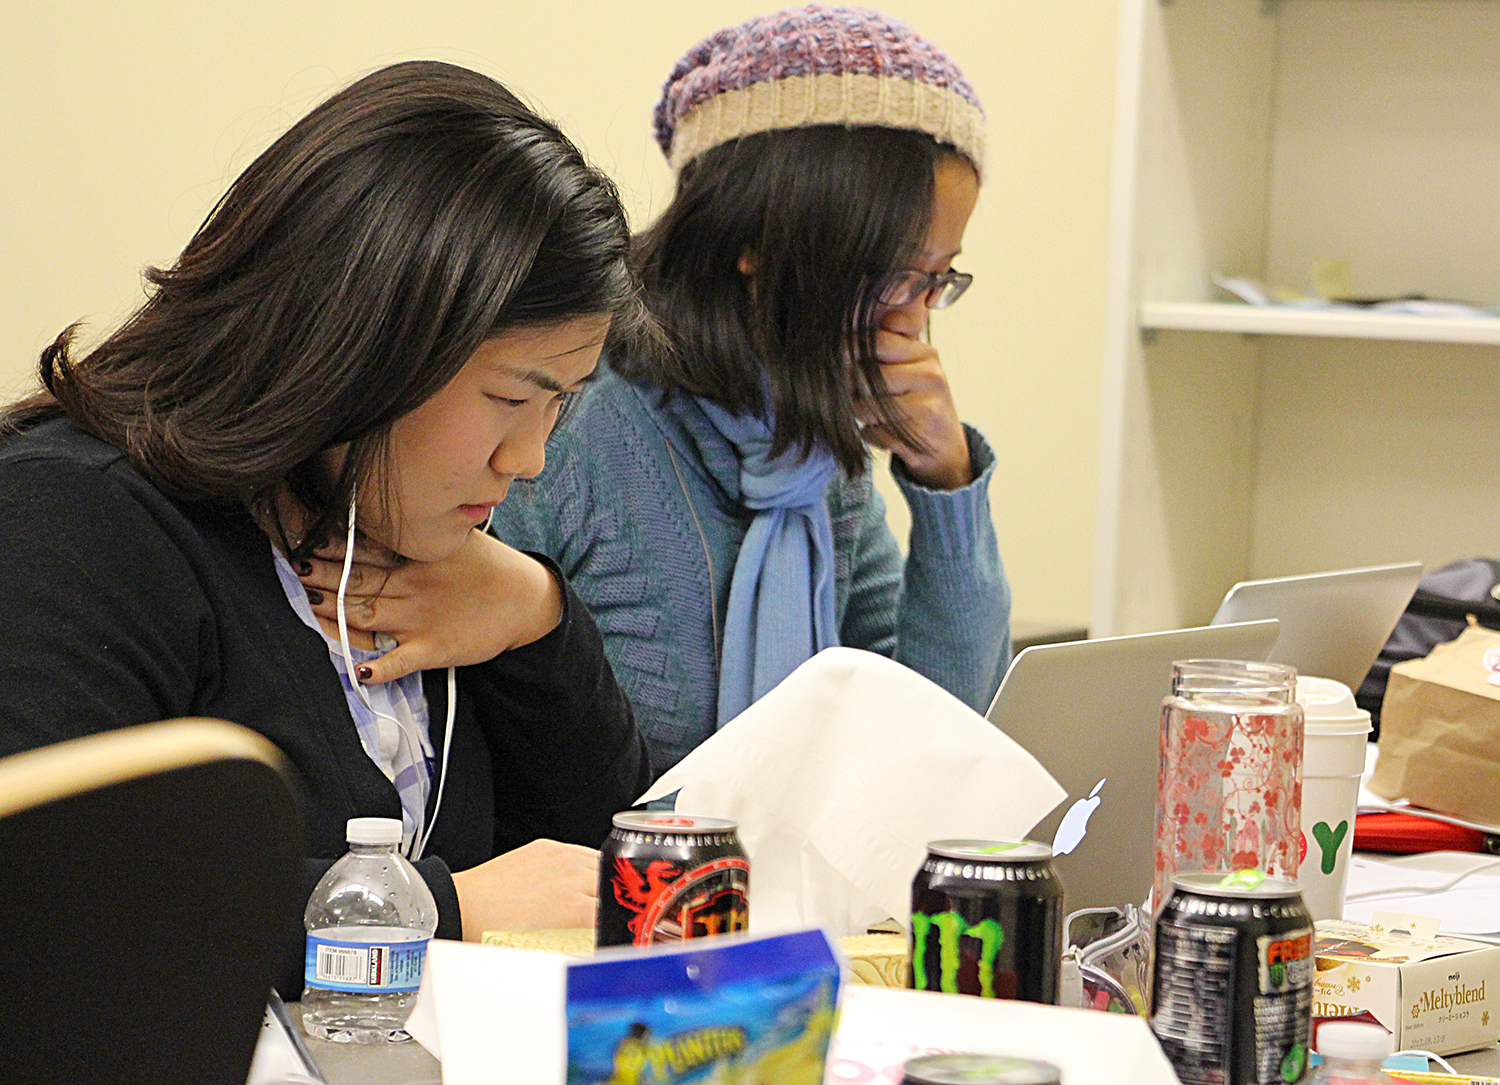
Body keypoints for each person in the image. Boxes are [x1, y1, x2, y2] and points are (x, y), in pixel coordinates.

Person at [0, 60, 652, 993]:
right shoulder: (75, 520)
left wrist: (538, 618)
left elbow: (592, 874)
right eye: (512, 397)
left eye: (563, 404)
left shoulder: (416, 541)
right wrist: (436, 909)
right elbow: (60, 904)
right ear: (365, 342)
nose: (530, 457)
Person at [319, 5, 1011, 777]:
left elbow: (933, 748)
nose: (912, 320)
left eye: (938, 279)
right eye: (894, 273)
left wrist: (945, 479)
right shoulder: (565, 415)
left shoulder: (809, 453)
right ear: (758, 237)